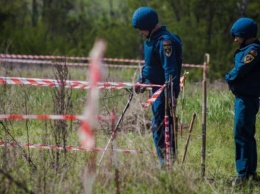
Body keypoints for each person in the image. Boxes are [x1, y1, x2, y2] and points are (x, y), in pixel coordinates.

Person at [131, 6, 182, 165]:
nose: (140, 32)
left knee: (160, 128)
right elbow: (150, 66)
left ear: (148, 25)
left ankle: (166, 164)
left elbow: (170, 70)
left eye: (141, 29)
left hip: (164, 93)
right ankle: (164, 161)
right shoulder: (152, 40)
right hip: (155, 91)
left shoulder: (165, 42)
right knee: (158, 127)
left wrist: (170, 96)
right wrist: (142, 80)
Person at [225, 17, 260, 184]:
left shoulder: (253, 51)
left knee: (242, 134)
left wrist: (228, 77)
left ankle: (243, 175)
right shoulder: (248, 48)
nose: (235, 39)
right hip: (244, 98)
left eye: (237, 36)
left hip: (246, 99)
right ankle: (250, 172)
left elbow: (241, 69)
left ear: (247, 35)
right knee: (246, 134)